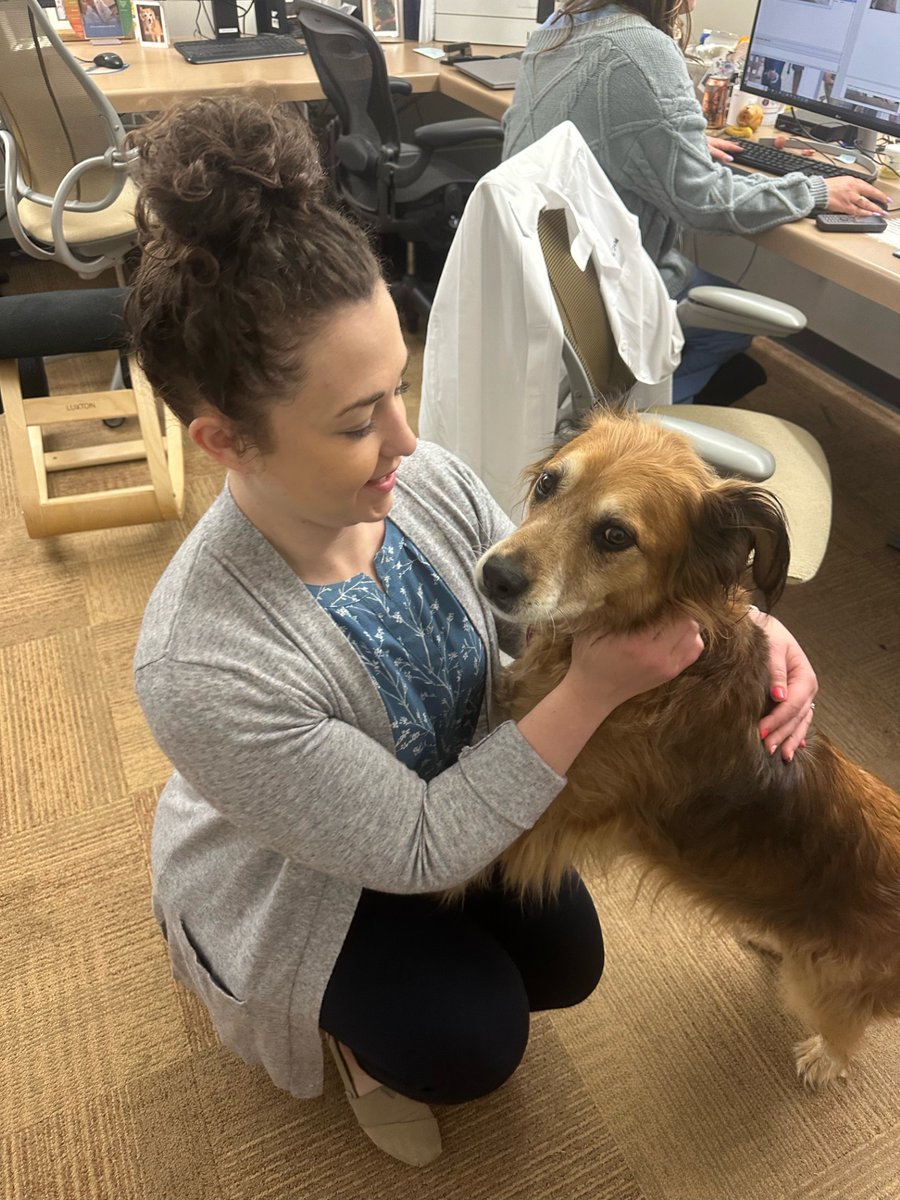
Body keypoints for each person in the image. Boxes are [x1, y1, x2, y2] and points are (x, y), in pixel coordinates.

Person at [128, 95, 818, 1168]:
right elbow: (411, 846)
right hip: (306, 874)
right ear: (227, 441)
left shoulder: (424, 482)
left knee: (566, 964)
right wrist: (589, 695)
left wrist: (748, 627)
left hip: (457, 777)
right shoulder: (205, 663)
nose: (409, 438)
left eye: (397, 389)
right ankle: (351, 1041)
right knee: (467, 1041)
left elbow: (572, 593)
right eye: (359, 420)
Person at [502, 1, 890, 404]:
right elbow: (704, 202)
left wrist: (668, 140)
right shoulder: (642, 48)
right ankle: (632, 429)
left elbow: (571, 127)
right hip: (605, 287)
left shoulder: (555, 29)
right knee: (727, 328)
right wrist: (816, 190)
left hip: (548, 274)